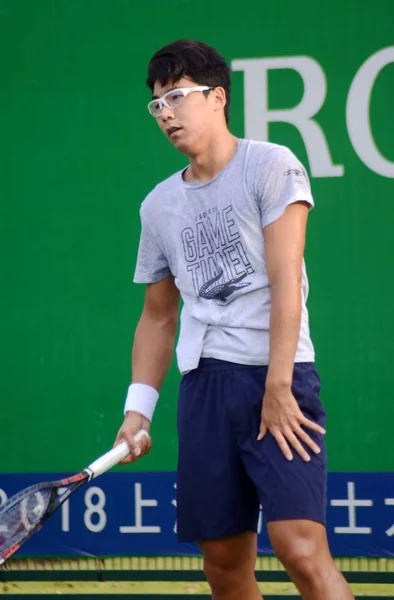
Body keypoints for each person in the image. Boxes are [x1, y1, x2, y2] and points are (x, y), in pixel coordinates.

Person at [114, 39, 354, 600]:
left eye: (176, 96)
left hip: (280, 379)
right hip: (205, 386)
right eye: (156, 105)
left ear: (218, 97)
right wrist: (137, 409)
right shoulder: (157, 206)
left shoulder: (272, 165)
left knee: (299, 547)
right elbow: (157, 317)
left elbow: (285, 278)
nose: (165, 113)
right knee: (223, 565)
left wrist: (277, 384)